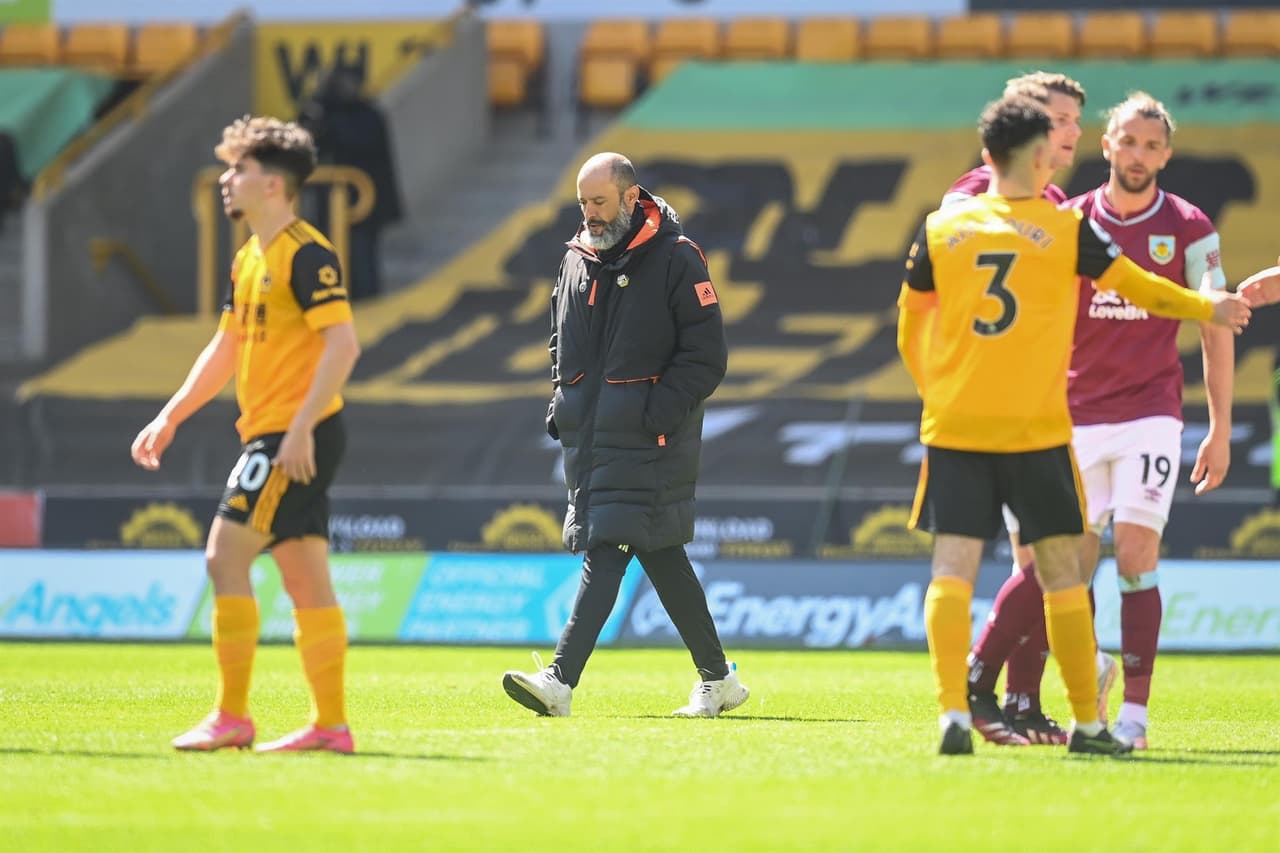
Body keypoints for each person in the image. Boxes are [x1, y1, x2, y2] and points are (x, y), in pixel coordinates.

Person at [897, 95, 1250, 756]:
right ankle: (1088, 722)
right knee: (1061, 568)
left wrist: (938, 392)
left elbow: (910, 324)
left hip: (958, 422)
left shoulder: (942, 227)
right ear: (1038, 157)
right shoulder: (1065, 227)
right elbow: (1140, 286)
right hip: (1042, 424)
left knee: (954, 568)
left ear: (984, 158)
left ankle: (953, 712)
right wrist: (1208, 306)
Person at [131, 116, 362, 753]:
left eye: (238, 169)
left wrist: (300, 427)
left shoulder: (306, 253)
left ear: (273, 184)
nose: (227, 180)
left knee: (222, 558)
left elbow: (343, 345)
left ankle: (232, 717)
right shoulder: (249, 257)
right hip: (280, 432)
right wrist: (171, 415)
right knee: (306, 578)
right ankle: (331, 727)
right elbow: (227, 346)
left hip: (291, 435)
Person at [501, 152, 748, 718]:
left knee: (606, 544)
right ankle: (718, 680)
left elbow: (707, 356)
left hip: (653, 438)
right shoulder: (574, 260)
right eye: (583, 203)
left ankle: (559, 682)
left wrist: (656, 412)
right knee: (662, 554)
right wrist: (562, 402)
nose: (589, 215)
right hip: (590, 439)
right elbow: (559, 339)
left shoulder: (678, 259)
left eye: (599, 202)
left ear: (631, 199)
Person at [941, 71, 1117, 747]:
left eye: (1076, 120)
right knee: (1053, 561)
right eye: (1064, 119)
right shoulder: (975, 196)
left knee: (1051, 561)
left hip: (1044, 405)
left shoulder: (1050, 200)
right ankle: (979, 687)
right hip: (1001, 414)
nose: (1075, 132)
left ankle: (1018, 701)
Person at [297, 67, 403, 301]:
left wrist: (327, 122)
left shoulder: (367, 115)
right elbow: (305, 142)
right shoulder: (325, 112)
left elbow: (357, 140)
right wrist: (312, 116)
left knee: (362, 262)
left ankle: (366, 306)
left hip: (363, 208)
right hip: (329, 204)